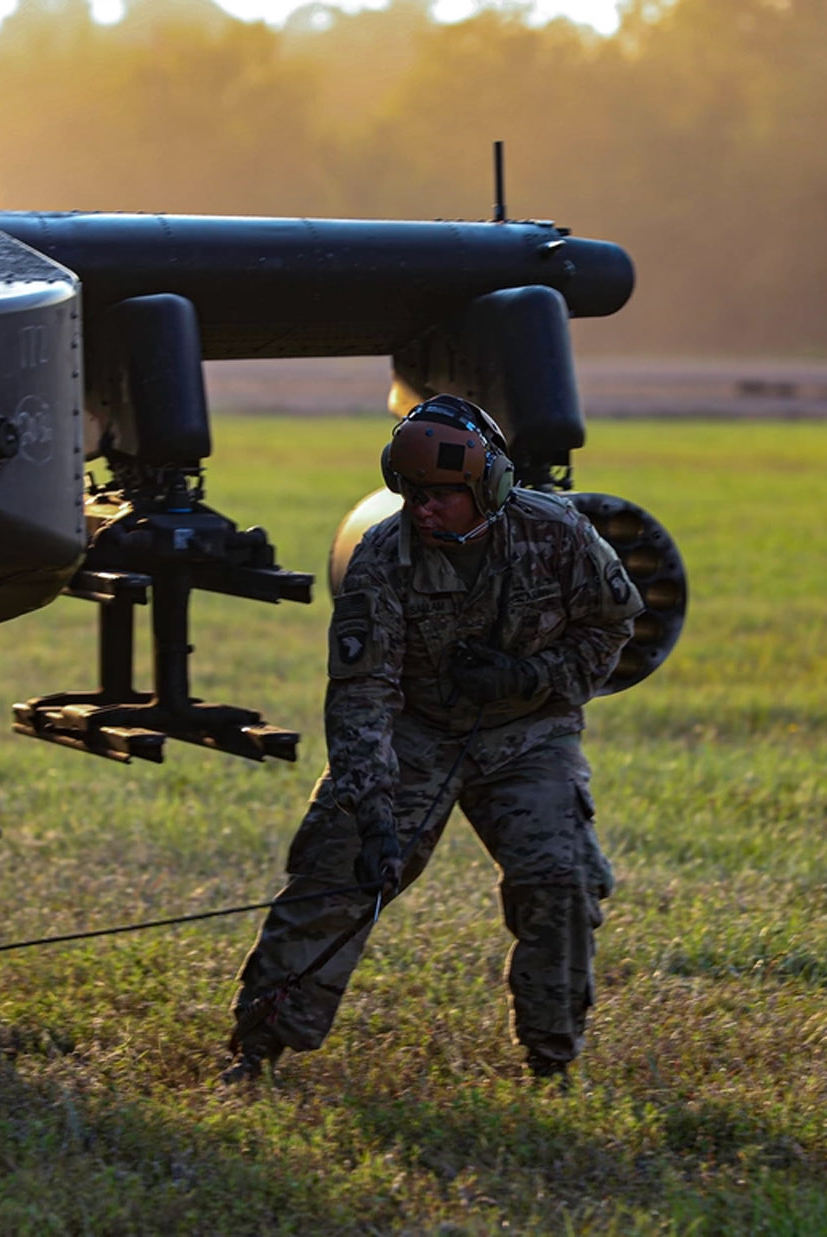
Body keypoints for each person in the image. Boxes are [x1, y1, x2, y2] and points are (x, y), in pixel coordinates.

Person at [222, 394, 642, 1085]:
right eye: (412, 494)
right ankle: (257, 1048)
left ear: (489, 488)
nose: (423, 510)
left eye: (442, 496)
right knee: (336, 872)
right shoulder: (382, 557)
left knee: (559, 881)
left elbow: (612, 628)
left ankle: (551, 1058)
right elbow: (364, 693)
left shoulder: (558, 532)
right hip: (417, 731)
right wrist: (374, 811)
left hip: (528, 735)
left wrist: (528, 676)